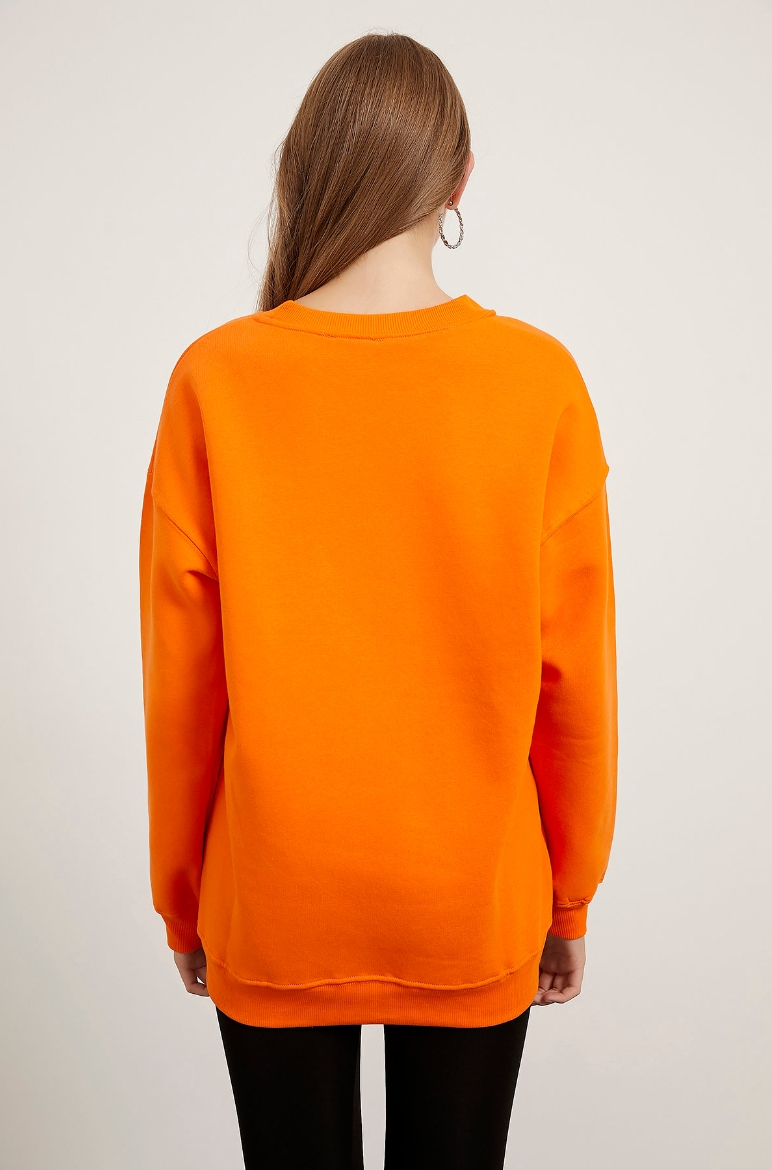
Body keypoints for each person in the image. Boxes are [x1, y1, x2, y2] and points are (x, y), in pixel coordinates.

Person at [139, 31, 618, 1170]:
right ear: (458, 182)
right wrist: (568, 902)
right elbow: (576, 684)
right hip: (472, 901)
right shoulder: (537, 382)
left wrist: (185, 898)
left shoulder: (216, 379)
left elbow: (180, 685)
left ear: (308, 168)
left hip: (274, 902)